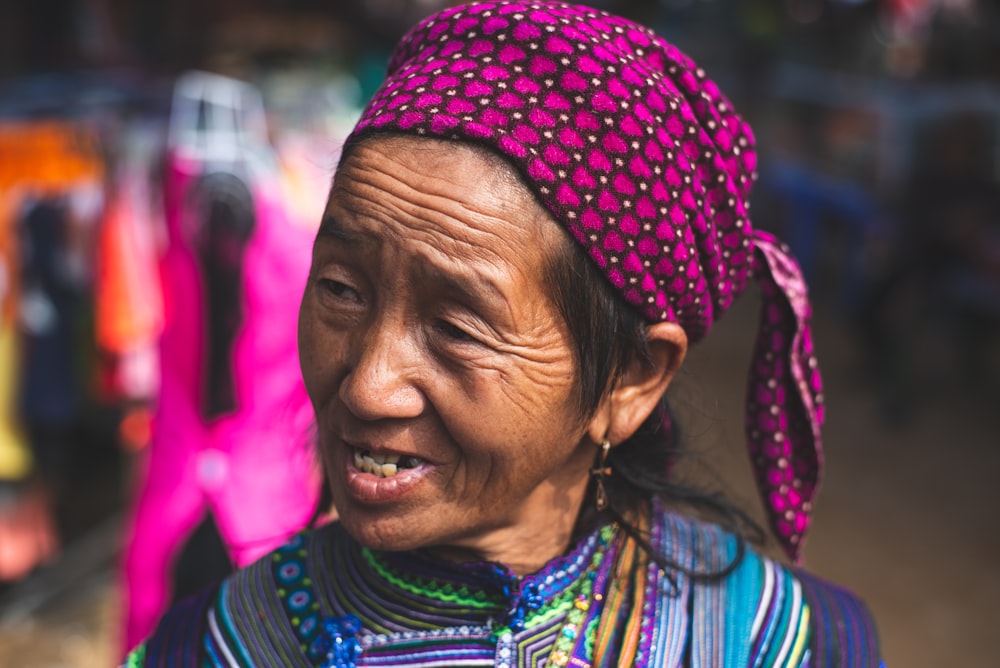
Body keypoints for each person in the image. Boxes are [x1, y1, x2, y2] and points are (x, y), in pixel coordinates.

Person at [125, 2, 882, 666]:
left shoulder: (781, 645)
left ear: (631, 379)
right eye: (341, 290)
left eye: (457, 326)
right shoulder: (218, 647)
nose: (367, 385)